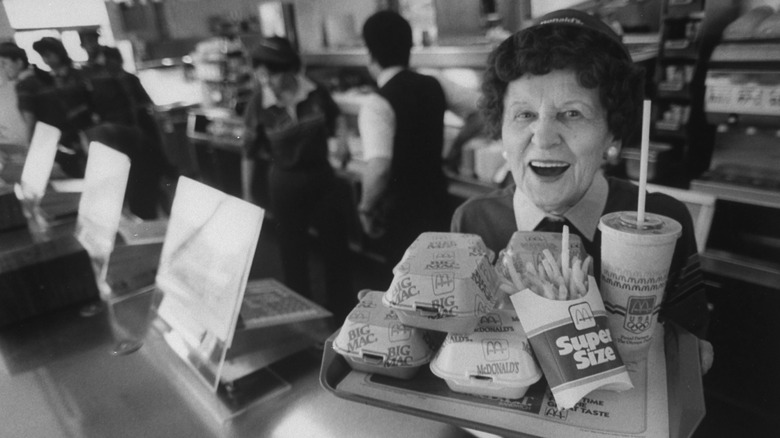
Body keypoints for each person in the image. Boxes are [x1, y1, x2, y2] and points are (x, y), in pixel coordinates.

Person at [450, 9, 714, 374]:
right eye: (524, 114)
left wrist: (689, 355)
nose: (543, 137)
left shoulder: (661, 221)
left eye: (572, 113)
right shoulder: (474, 221)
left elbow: (688, 347)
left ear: (613, 135)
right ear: (502, 130)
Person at [241, 37, 353, 319]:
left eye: (274, 73)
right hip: (284, 181)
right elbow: (249, 153)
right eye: (263, 74)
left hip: (321, 176)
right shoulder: (258, 104)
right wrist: (247, 194)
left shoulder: (314, 91)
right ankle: (303, 321)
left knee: (336, 249)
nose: (269, 81)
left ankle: (342, 315)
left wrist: (342, 140)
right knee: (293, 253)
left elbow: (336, 117)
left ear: (291, 69)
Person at [357, 10, 451, 267]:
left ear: (370, 53)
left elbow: (378, 170)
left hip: (402, 215)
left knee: (405, 288)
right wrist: (457, 147)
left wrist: (365, 208)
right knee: (441, 282)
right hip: (438, 204)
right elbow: (479, 111)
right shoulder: (434, 82)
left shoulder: (376, 103)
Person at [32, 37, 94, 178]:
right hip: (66, 134)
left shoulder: (78, 74)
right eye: (43, 56)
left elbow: (89, 101)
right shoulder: (46, 80)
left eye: (48, 55)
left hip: (86, 128)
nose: (46, 60)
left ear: (59, 53)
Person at [0, 43, 31, 147]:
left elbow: (29, 118)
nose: (3, 69)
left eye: (4, 64)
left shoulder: (25, 85)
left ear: (19, 63)